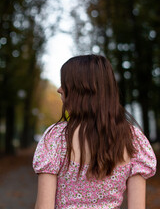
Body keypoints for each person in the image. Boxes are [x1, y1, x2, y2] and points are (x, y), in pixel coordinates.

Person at [33, 54, 157, 209]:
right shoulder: (133, 139)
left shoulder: (56, 138)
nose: (59, 89)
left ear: (81, 90)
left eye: (65, 83)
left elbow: (44, 207)